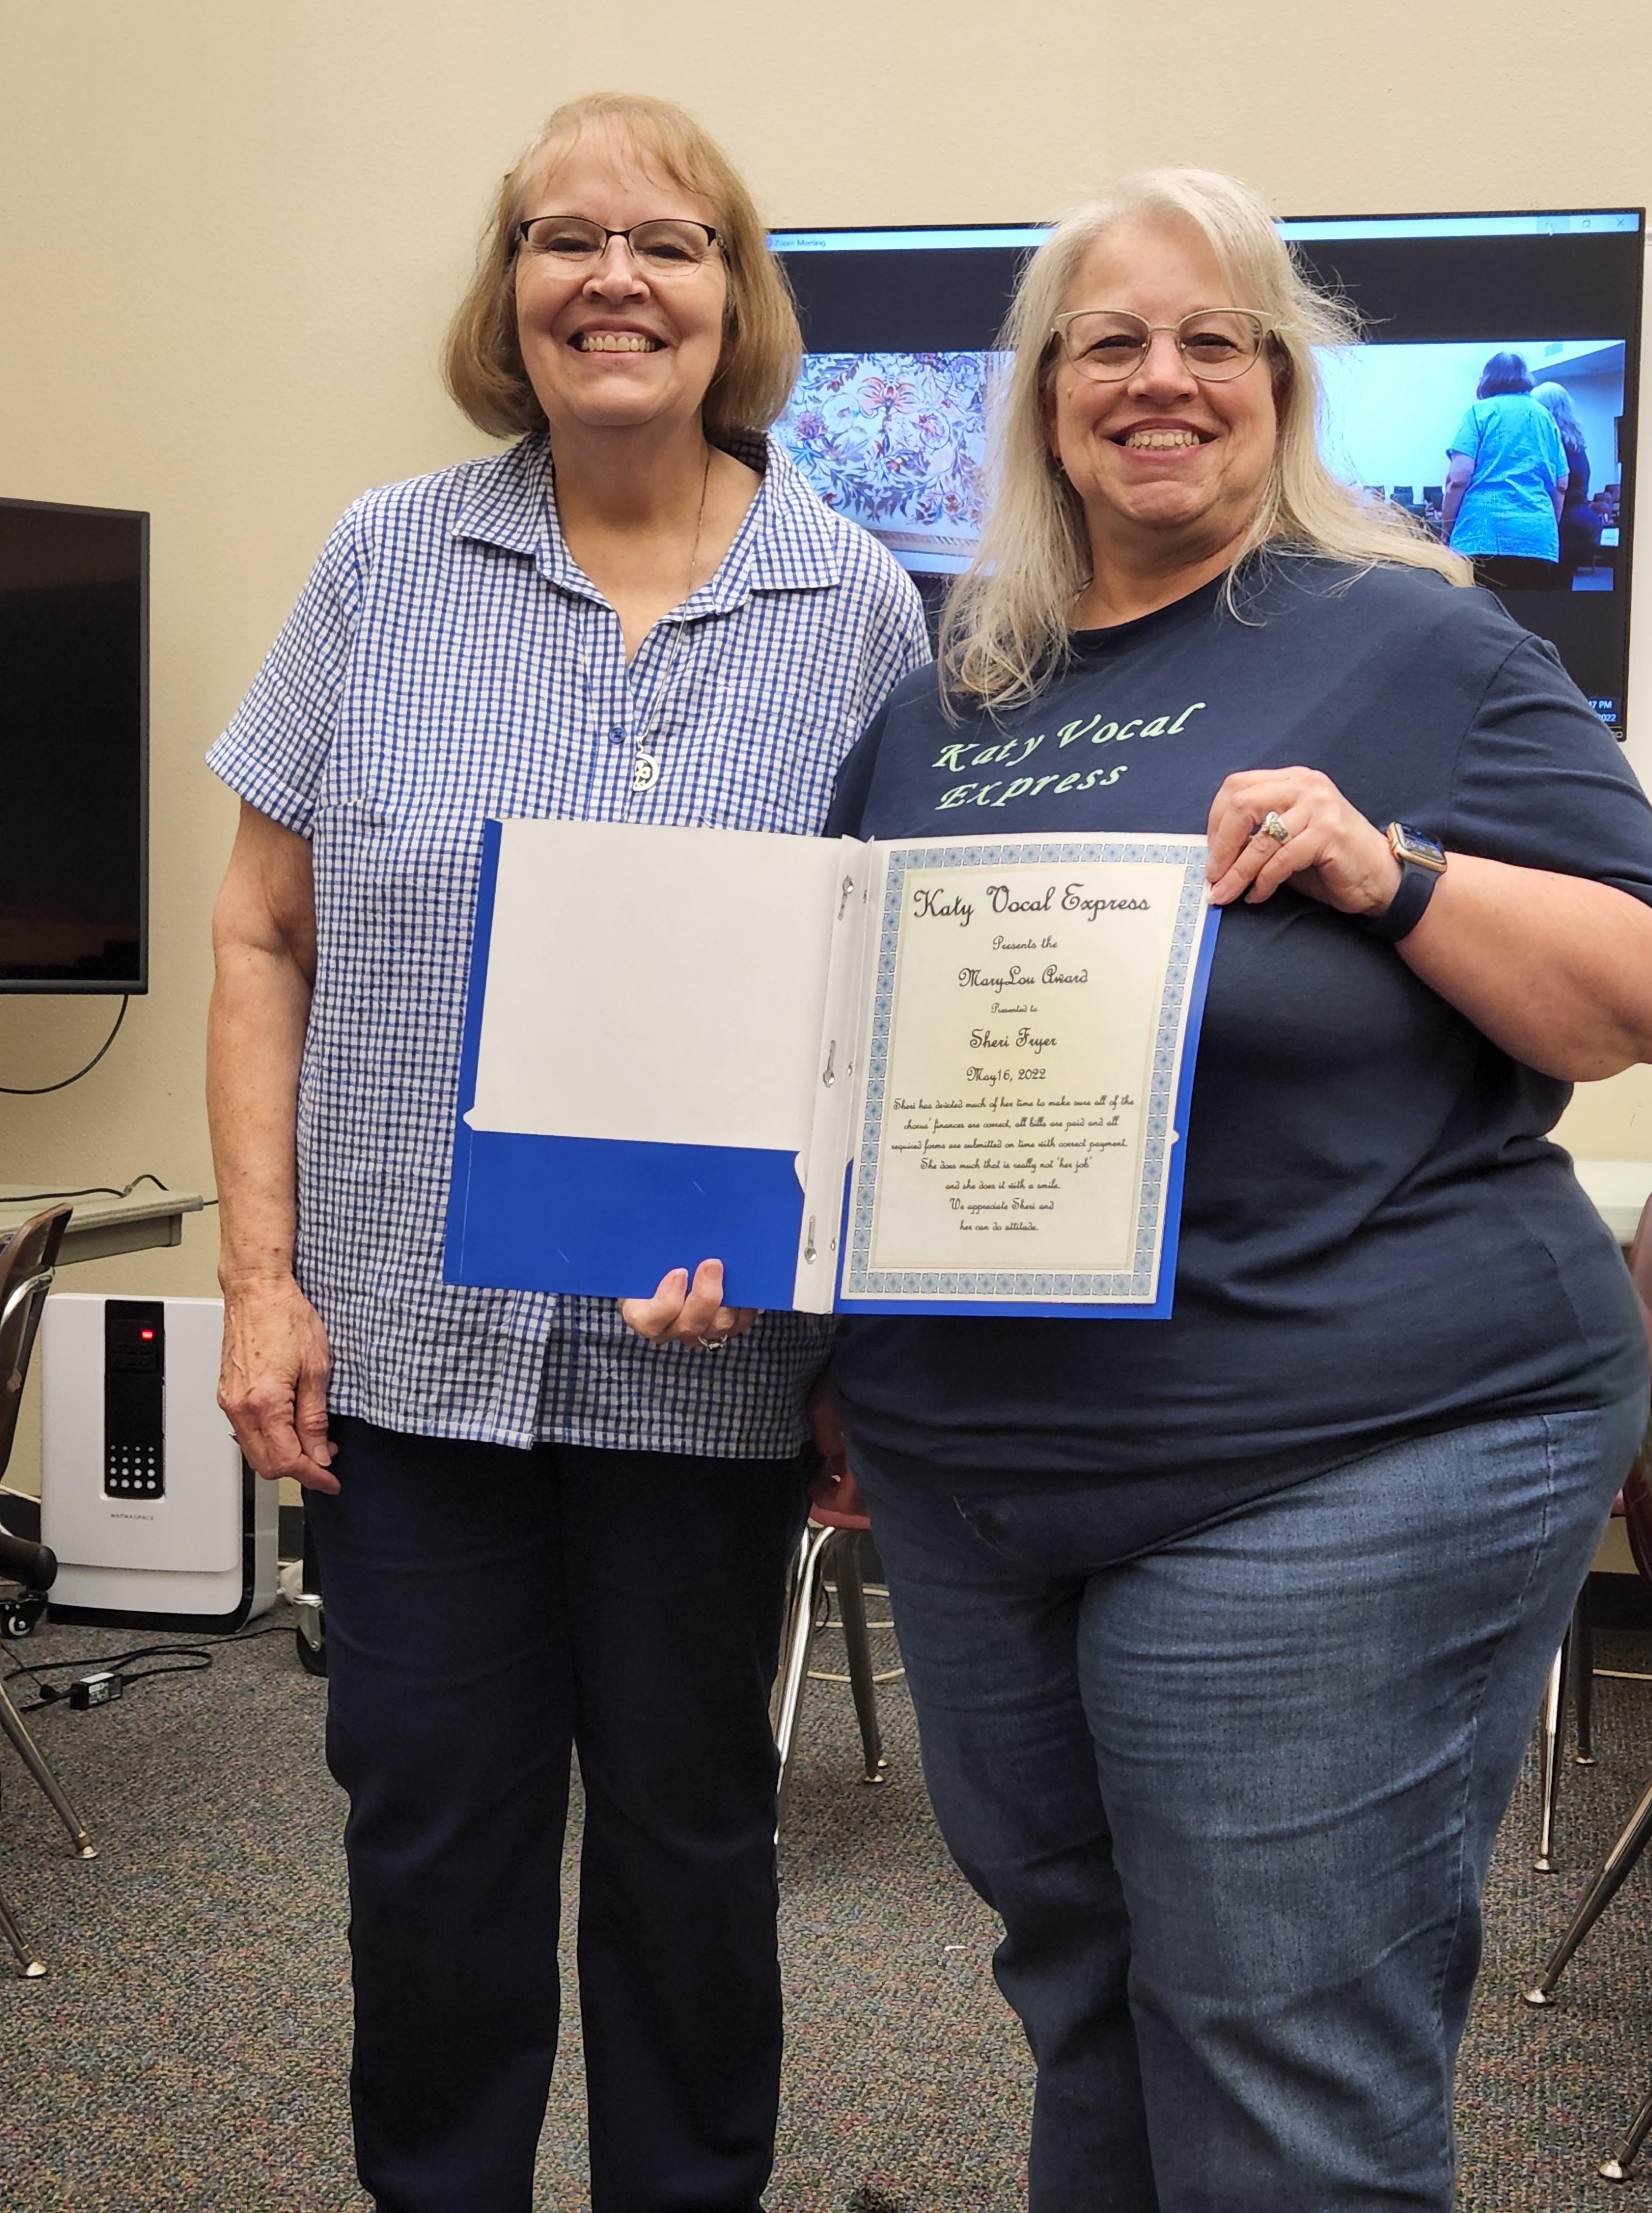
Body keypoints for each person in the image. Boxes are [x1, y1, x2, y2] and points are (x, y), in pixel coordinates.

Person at [820, 170, 1652, 2212]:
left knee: (1274, 2041)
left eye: (1213, 339)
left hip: (1337, 1442)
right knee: (1084, 1987)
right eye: (1108, 341)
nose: (1160, 377)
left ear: (1278, 384)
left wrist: (1393, 873)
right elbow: (846, 1058)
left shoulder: (1413, 642)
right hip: (980, 1473)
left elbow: (1634, 987)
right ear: (1041, 395)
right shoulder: (943, 699)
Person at [205, 91, 925, 2213]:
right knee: (430, 1844)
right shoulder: (383, 563)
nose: (613, 278)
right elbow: (256, 932)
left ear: (733, 294)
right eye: (562, 237)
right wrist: (256, 1281)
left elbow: (877, 997)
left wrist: (844, 1326)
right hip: (409, 1356)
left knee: (694, 1849)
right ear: (507, 288)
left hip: (710, 1366)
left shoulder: (857, 604)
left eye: (667, 241)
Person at [1441, 348, 1567, 585]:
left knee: (1481, 607)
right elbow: (1561, 484)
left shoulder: (1478, 413)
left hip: (1481, 534)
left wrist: (1446, 533)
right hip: (1538, 537)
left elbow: (1458, 479)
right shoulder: (1545, 417)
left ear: (1487, 378)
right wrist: (1547, 530)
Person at [1532, 377, 1607, 586]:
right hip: (1584, 523)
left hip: (1564, 524)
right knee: (1562, 587)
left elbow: (1559, 487)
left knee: (1545, 589)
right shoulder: (1576, 442)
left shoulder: (1551, 443)